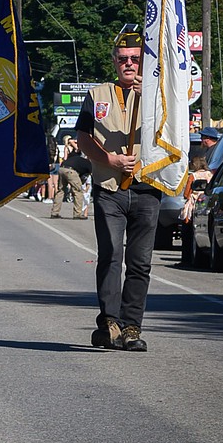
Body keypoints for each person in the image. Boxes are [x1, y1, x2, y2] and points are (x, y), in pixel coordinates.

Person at [76, 24, 160, 353]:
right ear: (114, 62)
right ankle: (110, 320)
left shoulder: (159, 96)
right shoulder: (98, 95)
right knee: (111, 255)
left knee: (140, 262)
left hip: (147, 188)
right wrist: (109, 159)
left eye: (135, 59)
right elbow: (84, 138)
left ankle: (131, 326)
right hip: (109, 187)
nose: (129, 64)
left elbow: (174, 134)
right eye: (123, 59)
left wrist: (149, 99)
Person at [50, 135, 90, 219]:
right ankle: (77, 214)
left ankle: (54, 212)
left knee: (61, 191)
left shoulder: (76, 157)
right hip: (71, 171)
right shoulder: (89, 165)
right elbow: (84, 177)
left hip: (62, 168)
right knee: (78, 191)